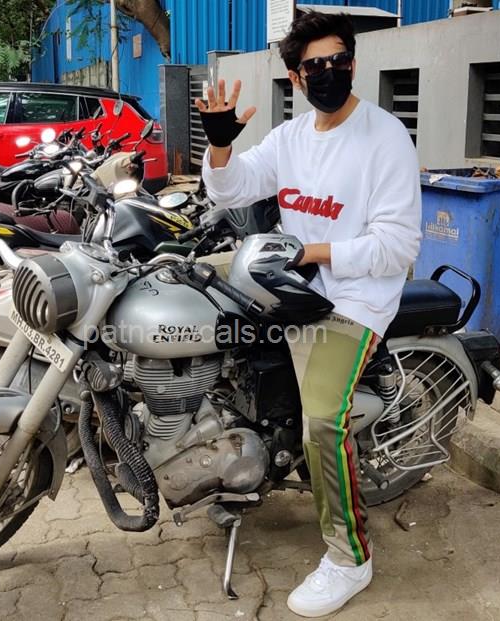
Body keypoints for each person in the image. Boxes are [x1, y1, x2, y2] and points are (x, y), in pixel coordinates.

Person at [197, 10, 421, 618]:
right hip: (292, 287)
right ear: (295, 77)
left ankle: (349, 558)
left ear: (353, 63)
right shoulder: (292, 137)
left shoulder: (385, 137)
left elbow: (398, 247)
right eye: (314, 66)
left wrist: (313, 253)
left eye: (337, 61)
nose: (328, 72)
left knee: (321, 422)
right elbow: (232, 188)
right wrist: (220, 144)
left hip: (354, 298)